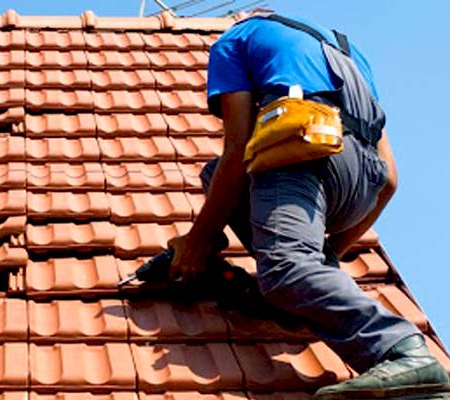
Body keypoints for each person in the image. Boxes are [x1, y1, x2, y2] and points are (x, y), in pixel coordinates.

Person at [166, 12, 450, 400]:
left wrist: (197, 242)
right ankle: (297, 296)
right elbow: (390, 181)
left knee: (283, 266)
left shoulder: (233, 42)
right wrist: (327, 257)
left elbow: (237, 152)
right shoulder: (346, 52)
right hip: (360, 181)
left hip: (301, 152)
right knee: (216, 177)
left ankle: (400, 349)